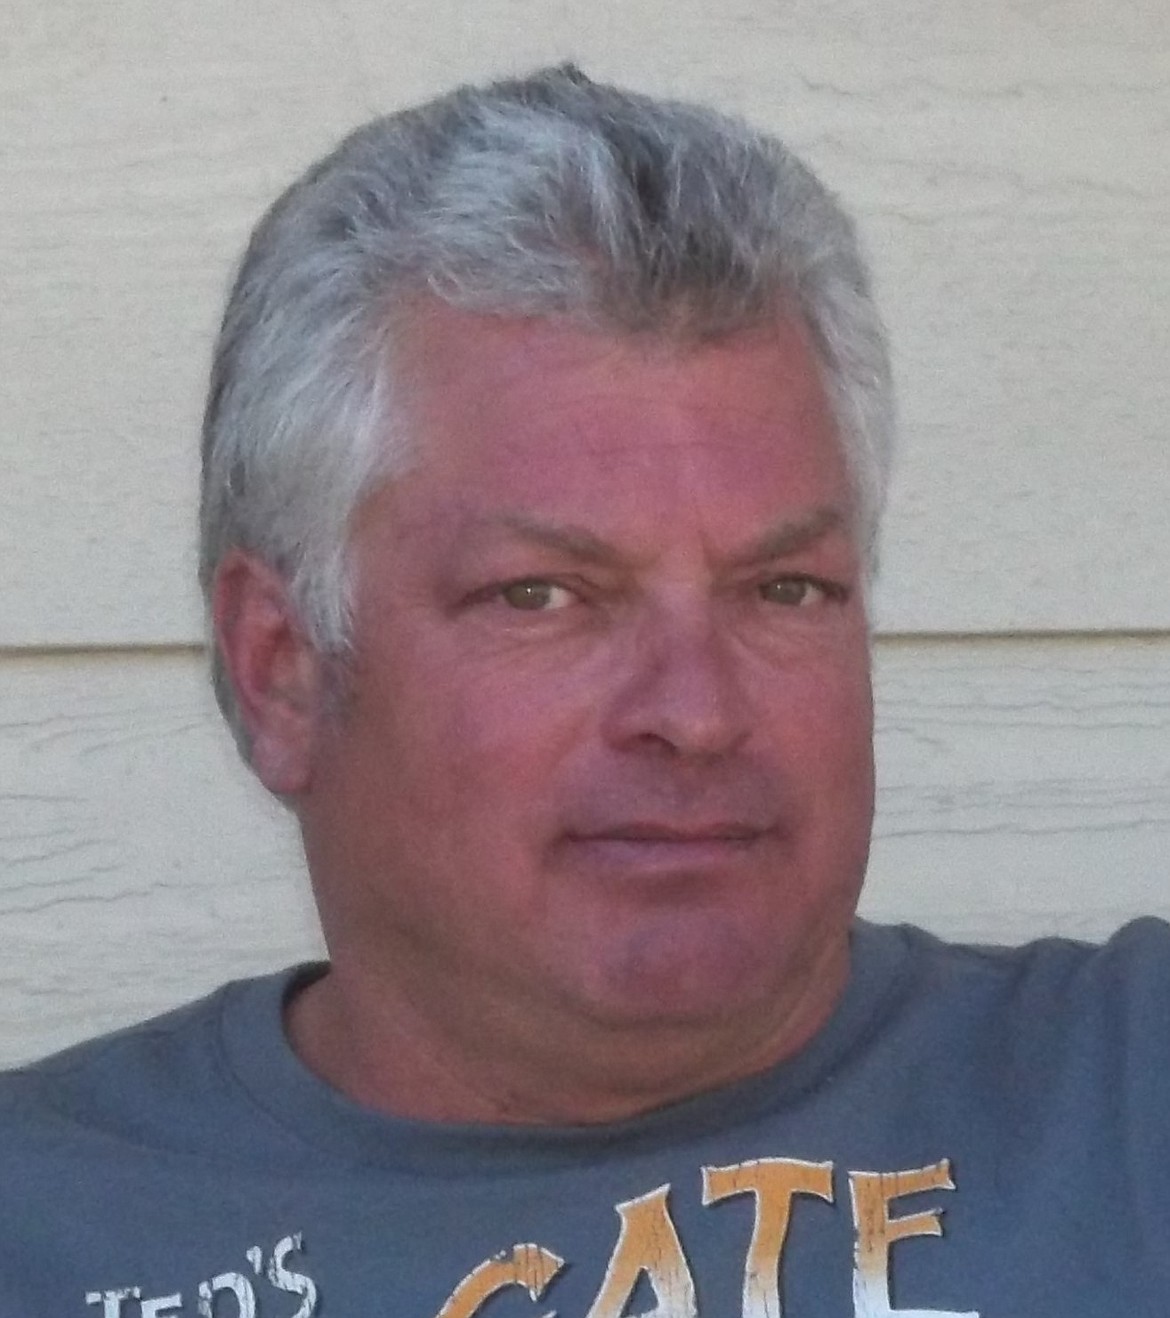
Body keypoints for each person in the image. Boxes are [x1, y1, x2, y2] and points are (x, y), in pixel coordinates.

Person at [0, 64, 1166, 1318]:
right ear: (283, 669)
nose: (698, 711)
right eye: (543, 595)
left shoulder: (1124, 1099)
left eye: (784, 588)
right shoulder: (44, 1227)